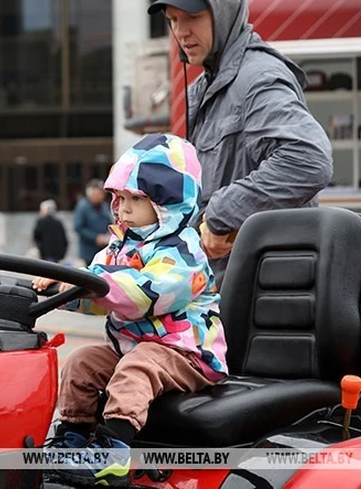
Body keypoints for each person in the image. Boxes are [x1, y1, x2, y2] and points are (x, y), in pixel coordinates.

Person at [32, 134, 227, 487]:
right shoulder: (120, 244)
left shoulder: (184, 251)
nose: (122, 209)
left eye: (135, 199)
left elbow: (143, 296)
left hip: (186, 354)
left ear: (167, 203)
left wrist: (91, 281)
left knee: (137, 368)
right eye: (119, 198)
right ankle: (71, 439)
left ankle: (112, 453)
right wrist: (64, 287)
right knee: (82, 361)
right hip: (134, 349)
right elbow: (96, 290)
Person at [147, 0, 333, 288]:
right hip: (224, 290)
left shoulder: (258, 78)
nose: (181, 32)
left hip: (266, 296)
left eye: (192, 17)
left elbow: (309, 159)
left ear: (224, 12)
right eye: (173, 20)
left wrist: (222, 215)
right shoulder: (205, 88)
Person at [72, 180, 113, 265]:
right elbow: (78, 227)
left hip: (104, 248)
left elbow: (109, 221)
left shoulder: (104, 206)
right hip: (89, 249)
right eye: (99, 193)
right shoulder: (82, 206)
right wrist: (96, 237)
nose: (101, 196)